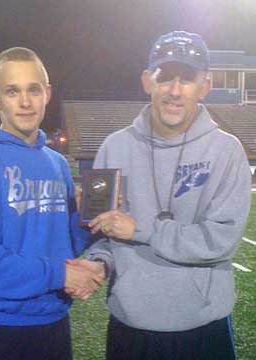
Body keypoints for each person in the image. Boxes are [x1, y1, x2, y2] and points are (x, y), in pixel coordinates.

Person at [84, 31, 251, 359]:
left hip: (202, 328)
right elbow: (100, 234)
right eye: (164, 78)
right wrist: (99, 263)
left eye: (187, 79)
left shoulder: (227, 151)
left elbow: (221, 240)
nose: (175, 91)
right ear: (147, 81)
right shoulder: (113, 147)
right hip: (130, 328)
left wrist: (140, 229)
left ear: (205, 87)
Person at [0, 47, 104, 360]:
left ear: (47, 93)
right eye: (12, 91)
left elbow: (64, 245)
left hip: (55, 325)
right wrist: (58, 275)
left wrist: (90, 218)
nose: (26, 102)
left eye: (33, 89)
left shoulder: (57, 163)